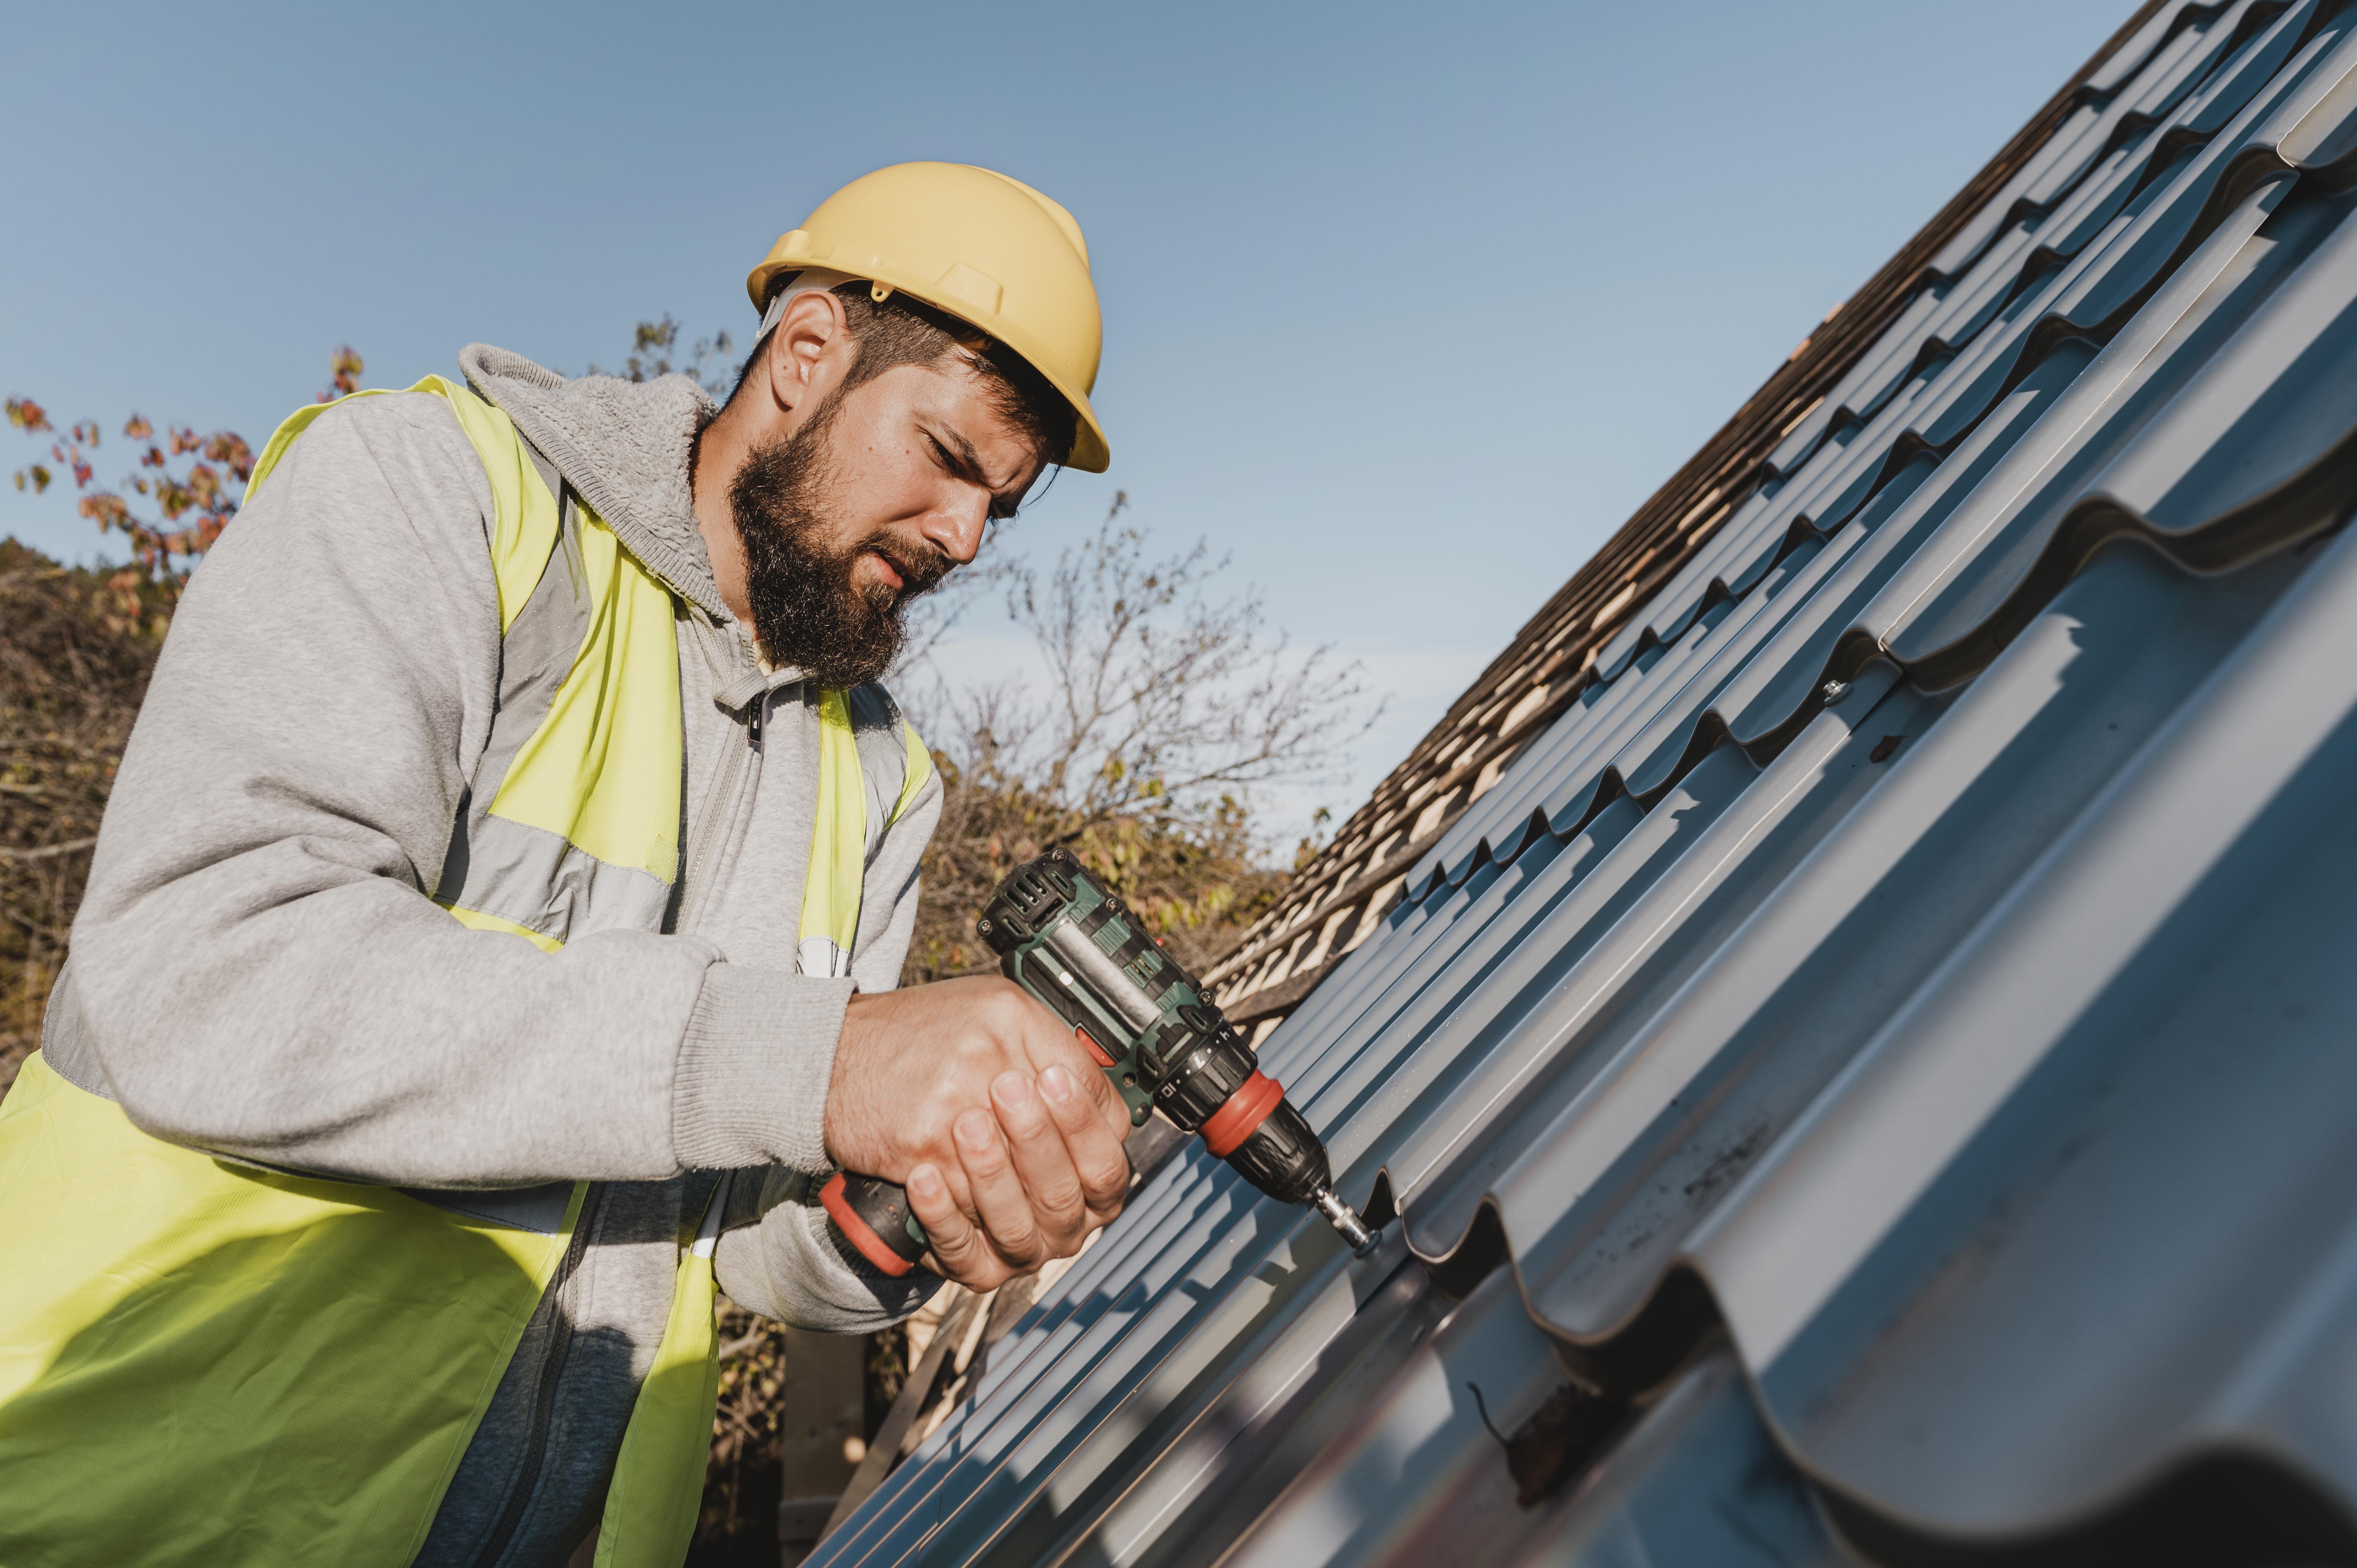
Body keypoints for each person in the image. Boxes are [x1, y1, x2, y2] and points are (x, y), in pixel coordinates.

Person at [0, 162, 1124, 1568]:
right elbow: (203, 971)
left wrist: (913, 1207)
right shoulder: (435, 497)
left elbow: (743, 1235)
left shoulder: (879, 776)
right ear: (811, 351)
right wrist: (819, 1061)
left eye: (999, 508)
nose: (964, 538)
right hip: (121, 1509)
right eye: (951, 460)